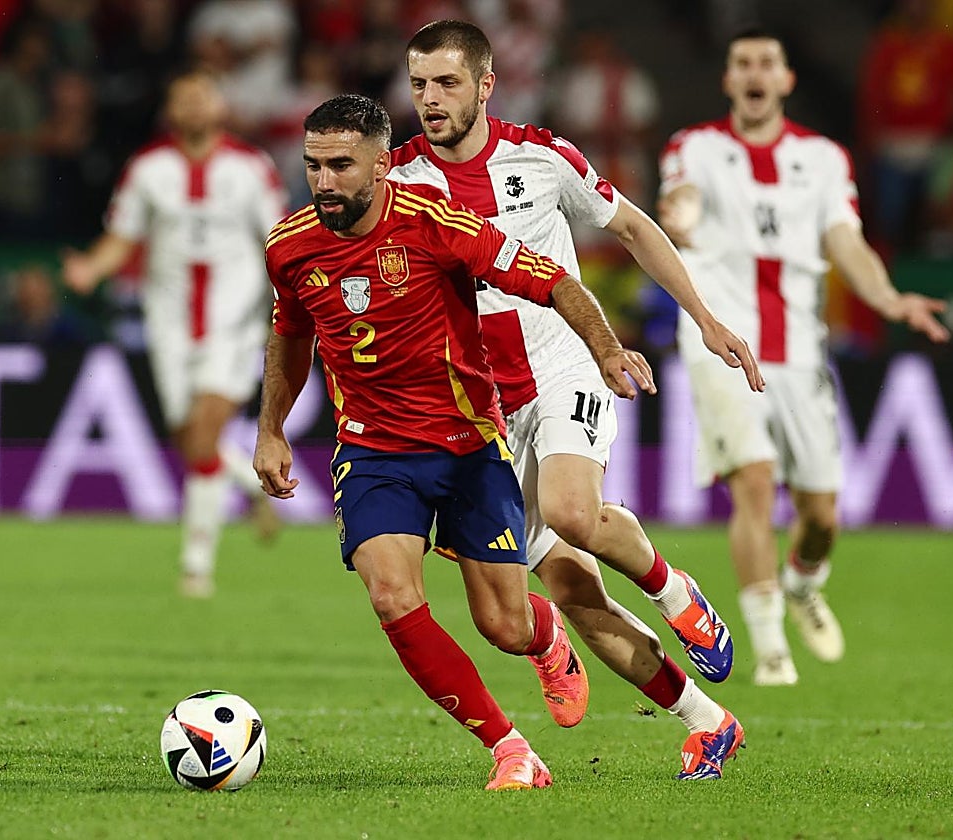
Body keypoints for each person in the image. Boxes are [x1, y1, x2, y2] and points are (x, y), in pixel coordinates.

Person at [390, 20, 759, 779]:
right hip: (480, 412)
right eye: (419, 83)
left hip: (565, 365)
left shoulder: (542, 156)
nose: (430, 99)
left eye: (447, 83)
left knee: (570, 512)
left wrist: (706, 318)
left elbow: (630, 226)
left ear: (485, 86)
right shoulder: (396, 184)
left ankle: (670, 585)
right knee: (557, 595)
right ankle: (707, 722)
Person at [254, 94, 649, 791]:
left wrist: (607, 350)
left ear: (382, 166)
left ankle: (545, 634)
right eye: (313, 165)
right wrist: (271, 427)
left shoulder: (435, 225)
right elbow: (290, 336)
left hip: (468, 445)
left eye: (341, 165)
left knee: (501, 622)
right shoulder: (289, 246)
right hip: (373, 451)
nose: (323, 181)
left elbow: (553, 280)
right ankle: (510, 749)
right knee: (391, 597)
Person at [658, 28, 949, 686]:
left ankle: (802, 584)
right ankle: (770, 653)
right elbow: (680, 202)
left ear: (786, 81)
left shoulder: (822, 159)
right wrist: (677, 218)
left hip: (799, 350)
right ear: (728, 80)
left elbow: (846, 240)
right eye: (742, 64)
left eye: (766, 63)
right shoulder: (695, 148)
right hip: (723, 342)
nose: (754, 74)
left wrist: (888, 297)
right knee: (753, 484)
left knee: (821, 515)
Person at [62, 70, 287, 598]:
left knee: (204, 436)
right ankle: (251, 484)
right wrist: (91, 270)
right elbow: (122, 237)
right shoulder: (148, 170)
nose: (192, 106)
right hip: (168, 321)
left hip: (232, 318)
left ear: (219, 107)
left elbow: (279, 239)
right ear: (170, 109)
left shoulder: (251, 168)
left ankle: (196, 568)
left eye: (201, 96)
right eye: (182, 97)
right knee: (191, 442)